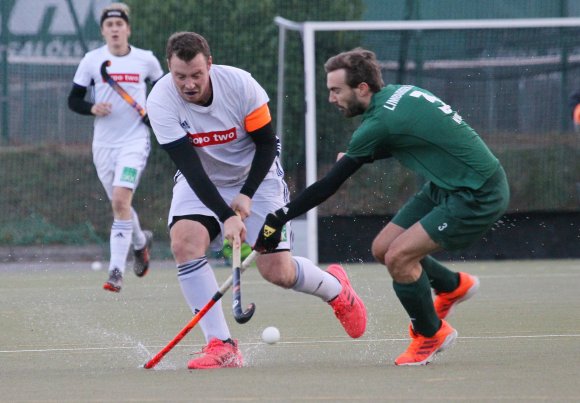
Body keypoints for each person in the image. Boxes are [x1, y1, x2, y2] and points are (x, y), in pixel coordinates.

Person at [255, 48, 510, 366]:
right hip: (447, 183)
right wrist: (361, 156)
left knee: (399, 258)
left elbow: (328, 186)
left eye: (336, 90)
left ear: (362, 88)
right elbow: (417, 137)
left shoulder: (378, 123)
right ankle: (452, 285)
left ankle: (431, 333)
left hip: (477, 194)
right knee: (382, 248)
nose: (332, 98)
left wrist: (278, 218)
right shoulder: (400, 94)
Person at [146, 32, 367, 369]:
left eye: (196, 75)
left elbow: (267, 145)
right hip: (202, 179)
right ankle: (221, 344)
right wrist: (225, 214)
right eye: (180, 76)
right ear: (169, 69)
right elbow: (188, 166)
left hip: (258, 178)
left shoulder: (241, 86)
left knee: (278, 272)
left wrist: (246, 195)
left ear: (210, 64)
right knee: (184, 242)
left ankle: (336, 289)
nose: (189, 84)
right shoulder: (161, 100)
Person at [67, 2, 164, 292]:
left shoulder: (146, 60)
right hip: (104, 145)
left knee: (121, 201)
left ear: (127, 29)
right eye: (109, 26)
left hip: (135, 142)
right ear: (103, 31)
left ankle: (116, 272)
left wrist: (152, 115)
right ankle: (140, 242)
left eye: (119, 25)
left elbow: (162, 94)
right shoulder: (91, 60)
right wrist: (92, 107)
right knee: (120, 205)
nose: (115, 30)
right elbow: (74, 100)